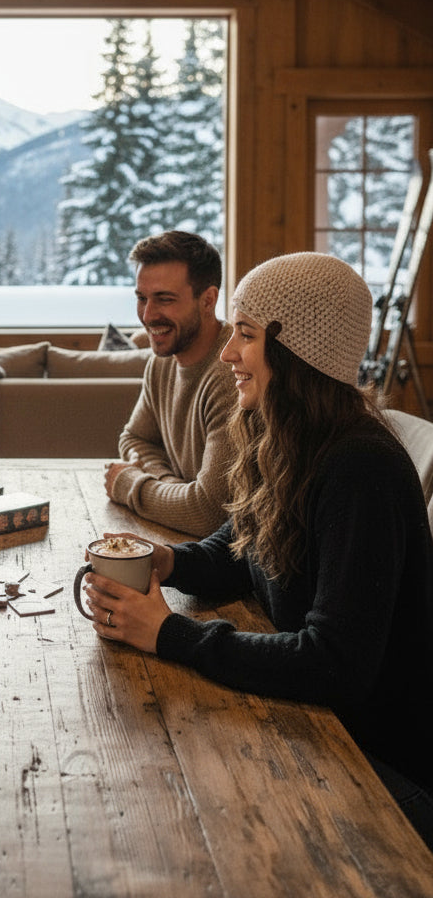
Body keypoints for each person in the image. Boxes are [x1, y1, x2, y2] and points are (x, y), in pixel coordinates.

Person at [85, 251, 433, 847]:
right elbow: (243, 551)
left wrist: (171, 635)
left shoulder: (359, 468)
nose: (227, 353)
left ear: (297, 351)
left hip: (381, 768)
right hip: (319, 728)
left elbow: (333, 664)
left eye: (245, 334)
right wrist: (166, 561)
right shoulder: (290, 436)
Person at [104, 230, 236, 536]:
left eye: (164, 299)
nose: (148, 316)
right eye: (141, 298)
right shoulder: (161, 362)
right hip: (180, 542)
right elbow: (134, 439)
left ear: (208, 300)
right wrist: (167, 485)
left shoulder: (232, 372)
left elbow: (207, 513)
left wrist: (129, 483)